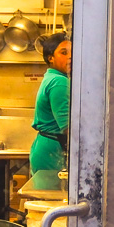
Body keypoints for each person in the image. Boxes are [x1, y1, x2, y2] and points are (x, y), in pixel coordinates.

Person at [29, 32, 71, 191]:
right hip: (53, 151)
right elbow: (67, 127)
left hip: (48, 146)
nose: (70, 57)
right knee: (48, 206)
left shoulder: (53, 77)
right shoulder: (59, 82)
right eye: (64, 52)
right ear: (50, 58)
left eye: (72, 52)